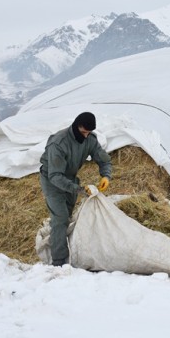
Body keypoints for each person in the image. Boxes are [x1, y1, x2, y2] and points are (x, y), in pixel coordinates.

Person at [39, 112, 112, 267]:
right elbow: (55, 176)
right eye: (84, 132)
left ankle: (68, 247)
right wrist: (78, 189)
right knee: (60, 217)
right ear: (76, 127)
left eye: (89, 133)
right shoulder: (58, 143)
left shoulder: (89, 139)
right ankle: (59, 262)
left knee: (68, 215)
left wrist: (106, 176)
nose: (86, 136)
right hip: (52, 179)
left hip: (70, 178)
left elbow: (103, 159)